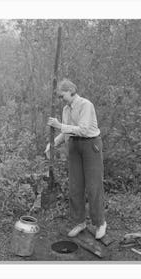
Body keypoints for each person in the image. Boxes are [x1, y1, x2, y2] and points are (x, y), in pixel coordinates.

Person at [45, 79, 107, 239]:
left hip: (90, 145)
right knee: (75, 186)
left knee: (94, 186)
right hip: (73, 146)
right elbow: (67, 131)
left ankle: (100, 223)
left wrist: (59, 126)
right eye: (59, 97)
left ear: (71, 91)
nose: (61, 99)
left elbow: (84, 129)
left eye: (62, 95)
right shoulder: (66, 109)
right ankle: (79, 222)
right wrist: (53, 144)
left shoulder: (86, 105)